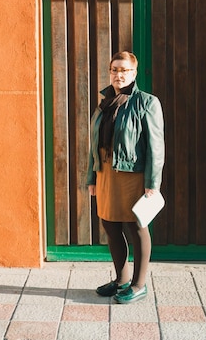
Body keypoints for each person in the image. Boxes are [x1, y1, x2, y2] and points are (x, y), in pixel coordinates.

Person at [87, 51, 165, 304]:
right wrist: (92, 176)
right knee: (110, 225)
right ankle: (121, 280)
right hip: (106, 172)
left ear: (134, 73)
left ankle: (139, 285)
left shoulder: (147, 102)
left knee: (136, 226)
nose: (118, 75)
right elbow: (94, 144)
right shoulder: (105, 103)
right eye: (114, 70)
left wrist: (152, 183)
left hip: (133, 173)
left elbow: (156, 146)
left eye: (124, 70)